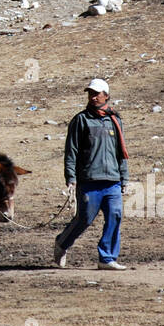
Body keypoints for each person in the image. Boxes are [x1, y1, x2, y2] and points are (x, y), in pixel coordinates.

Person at [53, 78, 130, 270]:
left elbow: (121, 152)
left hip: (112, 180)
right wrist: (70, 178)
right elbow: (71, 151)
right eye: (90, 93)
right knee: (85, 219)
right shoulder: (81, 120)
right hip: (89, 180)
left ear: (106, 95)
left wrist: (124, 178)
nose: (93, 97)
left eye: (97, 93)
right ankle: (62, 243)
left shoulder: (115, 120)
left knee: (115, 215)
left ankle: (107, 258)